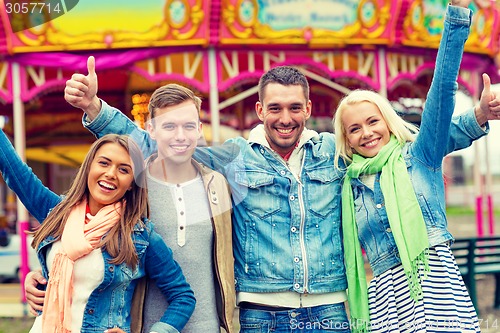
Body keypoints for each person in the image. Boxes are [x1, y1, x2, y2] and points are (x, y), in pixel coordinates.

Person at [52, 2, 493, 330]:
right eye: (276, 108)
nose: (286, 118)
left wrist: (475, 119)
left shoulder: (334, 153)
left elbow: (416, 146)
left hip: (330, 308)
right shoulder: (235, 158)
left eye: (295, 108)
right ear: (260, 109)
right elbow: (161, 142)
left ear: (307, 109)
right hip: (260, 311)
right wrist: (97, 108)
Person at [333, 1, 495, 331]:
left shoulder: (417, 157)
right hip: (385, 299)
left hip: (435, 287)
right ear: (345, 139)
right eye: (354, 129)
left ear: (387, 120)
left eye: (372, 121)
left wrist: (457, 15)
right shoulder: (347, 183)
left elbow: (441, 92)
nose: (366, 133)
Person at [27, 82, 235, 333]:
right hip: (139, 325)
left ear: (200, 129)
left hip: (207, 326)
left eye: (189, 126)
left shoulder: (218, 186)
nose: (180, 135)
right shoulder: (133, 186)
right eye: (169, 126)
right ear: (150, 131)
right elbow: (89, 236)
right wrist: (46, 275)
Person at [0, 131, 195, 333]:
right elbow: (14, 170)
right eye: (104, 163)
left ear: (131, 184)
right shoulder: (56, 212)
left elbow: (183, 297)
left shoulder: (140, 236)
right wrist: (39, 280)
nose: (111, 173)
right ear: (89, 167)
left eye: (124, 169)